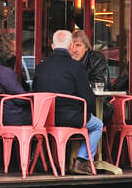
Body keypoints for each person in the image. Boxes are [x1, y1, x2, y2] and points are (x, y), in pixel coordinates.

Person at [33, 29, 103, 175]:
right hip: (71, 118)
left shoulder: (40, 67)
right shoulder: (76, 67)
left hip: (45, 118)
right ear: (71, 46)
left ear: (53, 46)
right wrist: (89, 113)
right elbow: (88, 98)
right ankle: (81, 161)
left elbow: (35, 92)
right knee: (98, 124)